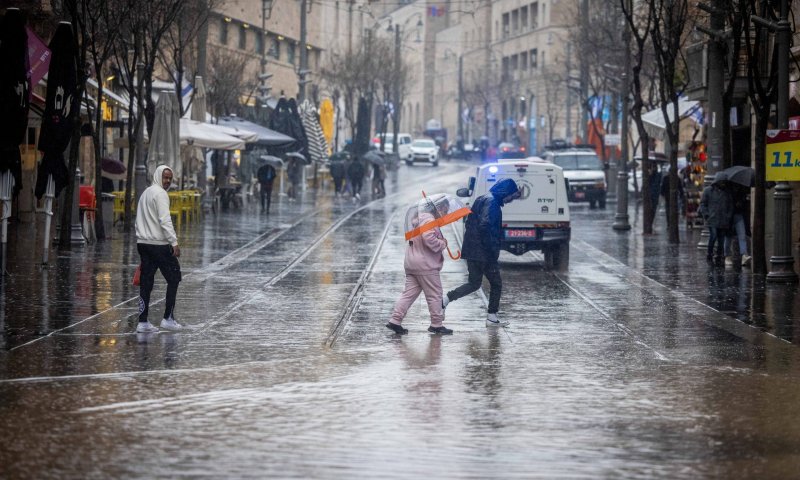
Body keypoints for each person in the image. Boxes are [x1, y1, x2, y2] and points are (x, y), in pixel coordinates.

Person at [443, 178, 521, 326]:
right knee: (496, 283)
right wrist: (492, 250)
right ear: (505, 192)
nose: (510, 199)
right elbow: (486, 226)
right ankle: (492, 317)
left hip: (472, 250)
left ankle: (445, 300)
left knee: (474, 284)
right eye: (511, 195)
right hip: (484, 253)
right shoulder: (492, 204)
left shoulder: (482, 198)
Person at [387, 202, 453, 335]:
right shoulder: (429, 219)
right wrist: (442, 243)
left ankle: (395, 320)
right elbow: (428, 238)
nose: (446, 213)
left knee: (408, 295)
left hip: (412, 263)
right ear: (439, 208)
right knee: (435, 294)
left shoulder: (418, 220)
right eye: (445, 210)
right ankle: (436, 324)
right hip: (425, 264)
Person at [135, 165, 183, 333]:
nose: (168, 181)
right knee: (174, 277)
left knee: (146, 282)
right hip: (158, 244)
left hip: (143, 243)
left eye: (170, 178)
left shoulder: (146, 193)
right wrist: (174, 242)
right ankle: (168, 318)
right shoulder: (161, 194)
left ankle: (142, 322)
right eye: (165, 177)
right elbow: (165, 220)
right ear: (158, 176)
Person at [699, 172, 734, 265]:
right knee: (713, 236)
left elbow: (730, 206)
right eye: (721, 182)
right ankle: (710, 254)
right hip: (712, 219)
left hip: (723, 220)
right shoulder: (708, 191)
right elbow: (703, 204)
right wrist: (706, 214)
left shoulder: (727, 193)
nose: (723, 184)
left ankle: (719, 255)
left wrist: (728, 216)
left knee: (721, 239)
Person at [725, 184, 751, 267]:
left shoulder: (742, 189)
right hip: (729, 216)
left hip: (738, 215)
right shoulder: (727, 190)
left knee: (742, 235)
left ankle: (744, 255)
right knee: (728, 236)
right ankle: (727, 256)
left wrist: (741, 202)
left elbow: (744, 203)